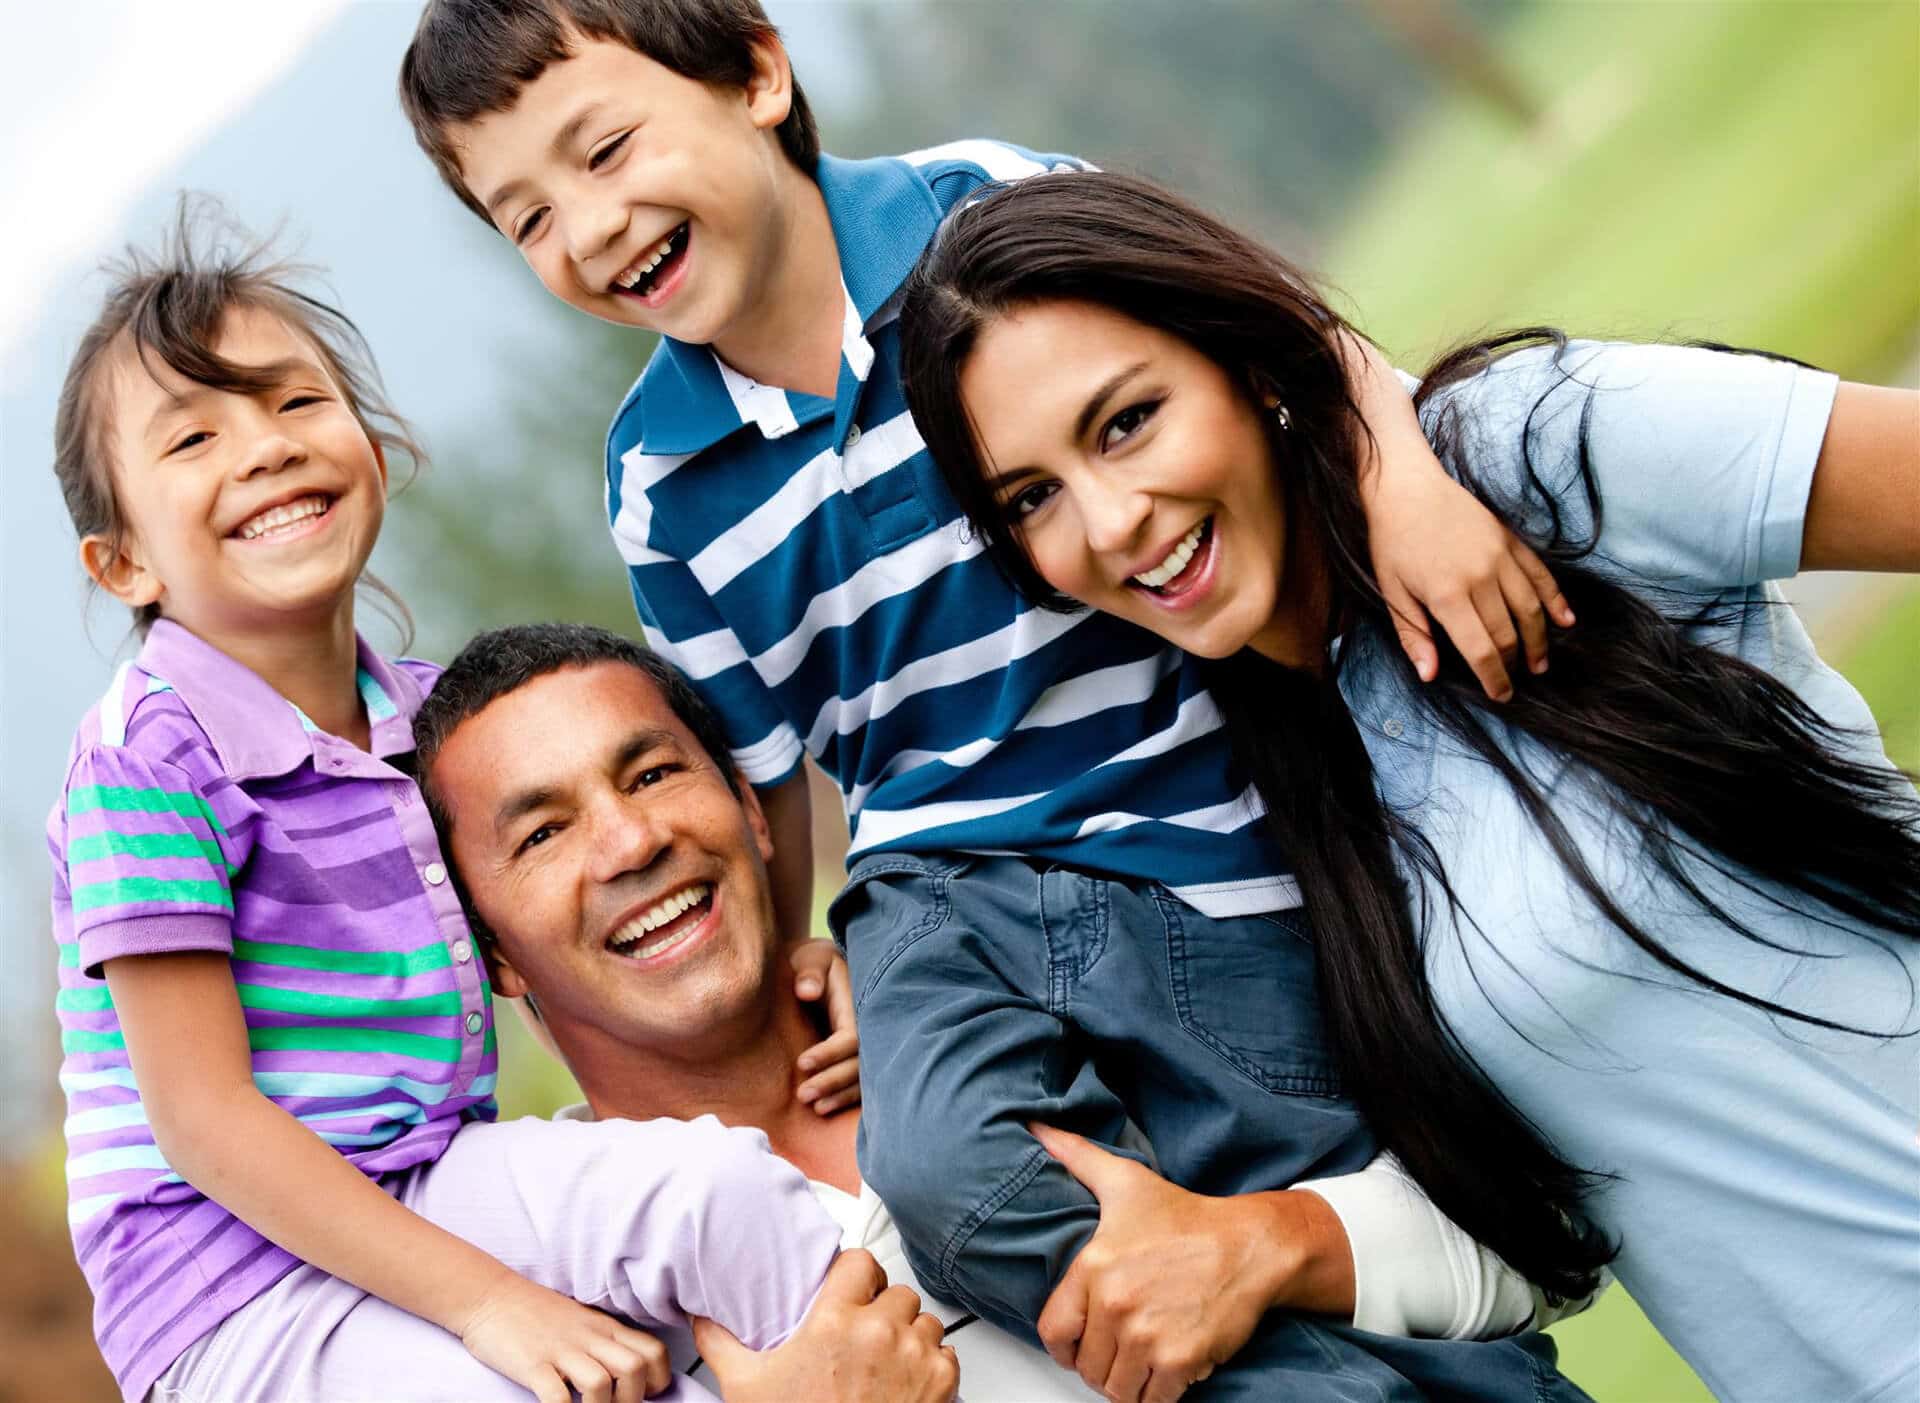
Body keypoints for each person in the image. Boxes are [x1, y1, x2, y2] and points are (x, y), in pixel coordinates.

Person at [398, 7, 1601, 1395]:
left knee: (1322, 1175)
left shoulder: (988, 212)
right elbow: (761, 767)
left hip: (1188, 831)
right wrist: (797, 960)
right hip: (934, 890)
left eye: (603, 152)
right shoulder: (662, 486)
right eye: (527, 217)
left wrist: (1406, 483)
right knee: (948, 1176)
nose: (588, 229)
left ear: (755, 74)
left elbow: (1286, 334)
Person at [897, 169, 1920, 1403]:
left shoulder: (1518, 456)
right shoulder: (1271, 789)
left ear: (1246, 367)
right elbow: (1544, 1227)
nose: (1112, 521)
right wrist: (1263, 1242)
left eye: (1127, 421)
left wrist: (1397, 436)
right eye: (1034, 497)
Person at [45, 206, 956, 1403]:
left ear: (376, 450)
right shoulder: (146, 756)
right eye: (194, 438)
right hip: (232, 1284)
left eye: (293, 403)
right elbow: (205, 1120)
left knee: (719, 1191)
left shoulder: (422, 725)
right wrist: (495, 1303)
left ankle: (885, 1372)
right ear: (126, 565)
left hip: (420, 1177)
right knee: (579, 1381)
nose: (262, 448)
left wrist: (803, 954)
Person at [411, 621, 1594, 1403]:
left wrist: (1270, 1248)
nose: (631, 840)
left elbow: (1527, 1246)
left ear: (755, 811)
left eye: (654, 771)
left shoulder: (1018, 977)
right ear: (495, 955)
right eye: (543, 831)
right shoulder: (548, 1284)